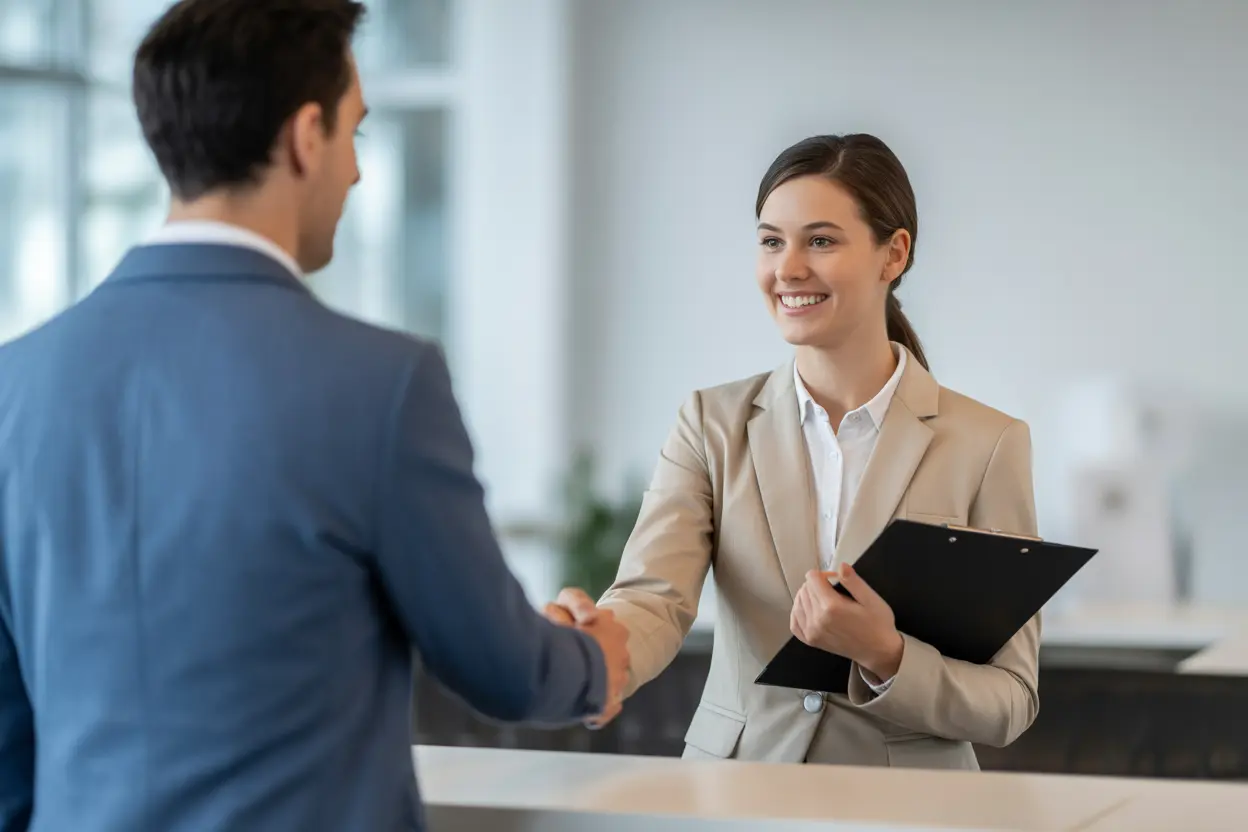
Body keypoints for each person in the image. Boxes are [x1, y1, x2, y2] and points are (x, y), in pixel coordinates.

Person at [0, 1, 628, 830]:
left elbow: (9, 729)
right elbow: (502, 670)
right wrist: (596, 661)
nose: (358, 174)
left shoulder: (15, 382)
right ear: (305, 136)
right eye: (355, 135)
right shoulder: (383, 383)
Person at [549, 133, 1039, 770]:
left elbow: (1011, 699)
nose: (789, 268)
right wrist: (589, 651)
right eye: (771, 240)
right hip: (739, 796)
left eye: (822, 240)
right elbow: (652, 599)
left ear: (894, 254)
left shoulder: (987, 444)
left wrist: (887, 654)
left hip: (910, 809)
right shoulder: (710, 424)